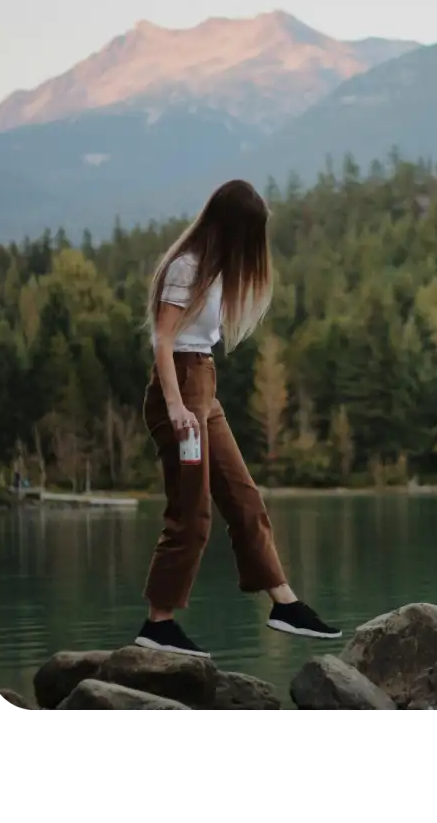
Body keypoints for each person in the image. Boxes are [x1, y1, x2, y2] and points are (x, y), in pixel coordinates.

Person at [134, 179, 340, 658]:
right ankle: (158, 624)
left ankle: (283, 602)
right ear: (230, 226)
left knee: (245, 499)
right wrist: (176, 407)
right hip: (182, 389)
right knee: (192, 513)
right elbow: (163, 340)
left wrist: (195, 402)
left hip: (205, 387)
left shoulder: (215, 268)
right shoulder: (187, 267)